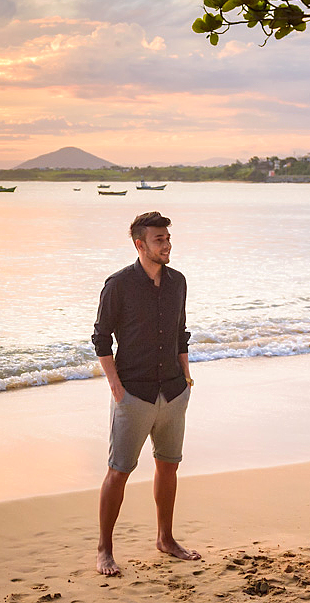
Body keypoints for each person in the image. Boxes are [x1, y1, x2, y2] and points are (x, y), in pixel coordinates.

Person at [92, 211, 201, 577]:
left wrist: (186, 374)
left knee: (169, 466)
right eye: (159, 240)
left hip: (173, 392)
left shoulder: (178, 282)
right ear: (140, 244)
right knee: (118, 472)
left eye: (168, 239)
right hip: (133, 395)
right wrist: (116, 388)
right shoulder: (118, 285)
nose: (167, 245)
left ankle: (165, 539)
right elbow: (101, 339)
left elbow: (181, 331)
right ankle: (104, 550)